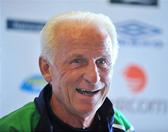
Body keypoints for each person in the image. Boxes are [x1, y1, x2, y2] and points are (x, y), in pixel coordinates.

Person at [0, 11, 134, 132]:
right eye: (77, 61)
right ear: (46, 68)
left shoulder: (122, 127)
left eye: (102, 61)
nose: (94, 78)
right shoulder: (13, 128)